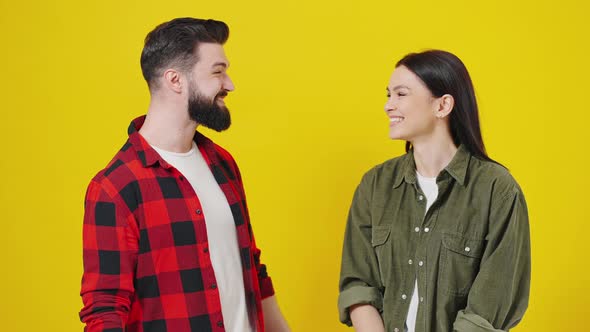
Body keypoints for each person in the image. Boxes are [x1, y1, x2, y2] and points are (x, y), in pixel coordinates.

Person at [79, 17, 290, 332]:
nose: (229, 84)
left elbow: (252, 270)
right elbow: (105, 310)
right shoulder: (116, 188)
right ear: (175, 80)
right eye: (218, 71)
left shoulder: (223, 164)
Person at [338, 50, 530, 332]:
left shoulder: (497, 191)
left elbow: (488, 311)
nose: (388, 105)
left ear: (442, 106)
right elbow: (358, 285)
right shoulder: (375, 186)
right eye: (388, 94)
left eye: (401, 94)